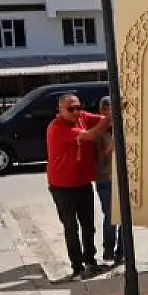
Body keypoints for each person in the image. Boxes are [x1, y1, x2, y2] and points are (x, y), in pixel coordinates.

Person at [47, 92, 111, 281]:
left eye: (77, 107)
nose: (76, 111)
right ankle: (77, 267)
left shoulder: (82, 117)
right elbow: (91, 134)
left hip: (82, 181)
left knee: (88, 224)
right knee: (71, 227)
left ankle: (90, 260)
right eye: (70, 109)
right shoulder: (57, 128)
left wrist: (111, 116)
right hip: (62, 185)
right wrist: (110, 116)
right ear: (60, 110)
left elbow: (103, 121)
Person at [94, 96, 121, 265]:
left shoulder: (123, 128)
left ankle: (122, 254)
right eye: (107, 110)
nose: (110, 113)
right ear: (102, 111)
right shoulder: (98, 132)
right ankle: (109, 251)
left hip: (123, 180)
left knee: (126, 219)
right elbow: (97, 159)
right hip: (106, 180)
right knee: (111, 217)